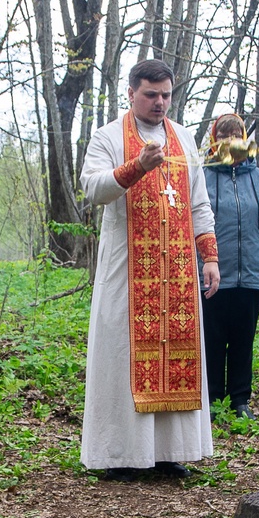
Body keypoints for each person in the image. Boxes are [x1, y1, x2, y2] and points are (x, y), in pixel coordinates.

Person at [79, 59, 220, 482]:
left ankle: (168, 452)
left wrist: (208, 255)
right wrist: (137, 165)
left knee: (175, 354)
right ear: (131, 93)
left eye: (165, 95)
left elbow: (199, 201)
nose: (159, 102)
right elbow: (93, 189)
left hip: (176, 272)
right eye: (150, 94)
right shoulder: (107, 136)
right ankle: (120, 453)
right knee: (122, 355)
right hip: (128, 270)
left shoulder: (184, 138)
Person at [201, 113, 259, 420]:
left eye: (235, 133)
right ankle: (212, 400)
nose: (230, 139)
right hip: (212, 274)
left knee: (243, 338)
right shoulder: (203, 177)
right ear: (214, 140)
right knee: (211, 339)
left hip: (253, 274)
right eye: (223, 135)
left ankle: (240, 400)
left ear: (244, 137)